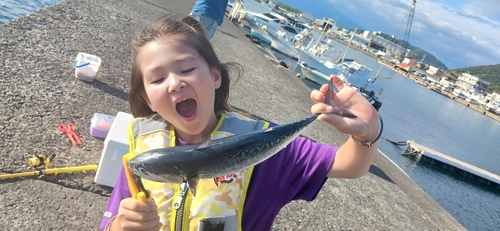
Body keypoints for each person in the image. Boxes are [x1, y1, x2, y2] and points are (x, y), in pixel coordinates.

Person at [100, 14, 381, 231]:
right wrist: (121, 226)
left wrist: (368, 133)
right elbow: (112, 222)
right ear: (148, 100)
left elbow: (348, 165)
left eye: (186, 69)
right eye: (158, 79)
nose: (175, 83)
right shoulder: (143, 156)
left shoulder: (263, 144)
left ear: (215, 77)